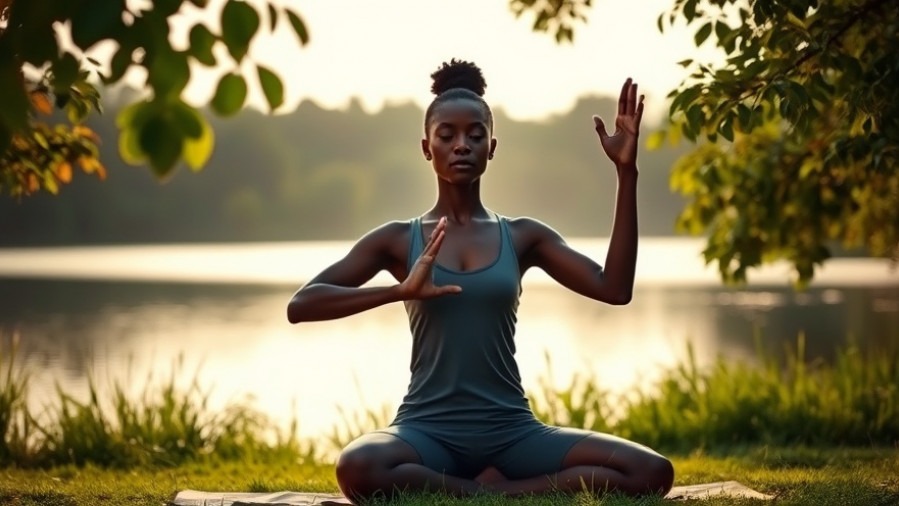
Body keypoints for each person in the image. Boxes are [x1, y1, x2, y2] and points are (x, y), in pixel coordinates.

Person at [287, 59, 674, 502]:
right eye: (446, 135)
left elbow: (615, 289)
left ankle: (495, 493)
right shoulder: (397, 240)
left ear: (492, 147)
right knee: (359, 466)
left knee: (651, 470)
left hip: (513, 432)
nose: (462, 145)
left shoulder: (523, 235)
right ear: (425, 147)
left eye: (475, 135)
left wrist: (627, 172)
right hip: (425, 431)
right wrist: (399, 291)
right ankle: (486, 492)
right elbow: (301, 305)